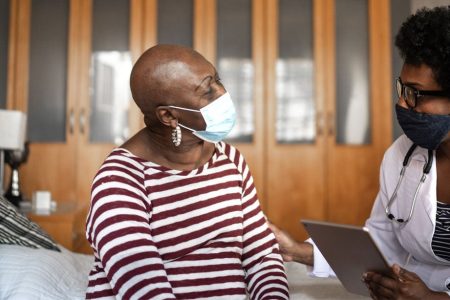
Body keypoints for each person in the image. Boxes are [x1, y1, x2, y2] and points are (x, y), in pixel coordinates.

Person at [270, 6, 450, 300]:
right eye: (401, 89)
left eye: (415, 94)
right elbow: (381, 243)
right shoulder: (401, 156)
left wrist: (433, 299)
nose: (403, 104)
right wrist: (297, 251)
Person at [85, 45, 289, 299]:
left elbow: (262, 256)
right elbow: (143, 286)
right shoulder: (119, 180)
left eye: (218, 80)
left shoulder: (230, 160)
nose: (223, 93)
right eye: (207, 90)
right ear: (169, 116)